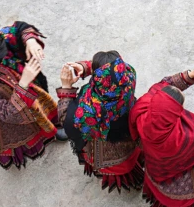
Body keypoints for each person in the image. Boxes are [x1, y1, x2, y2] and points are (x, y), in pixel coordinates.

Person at [0, 21, 67, 169]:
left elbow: (18, 29)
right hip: (9, 116)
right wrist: (23, 84)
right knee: (23, 131)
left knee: (40, 111)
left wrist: (30, 41)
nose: (4, 60)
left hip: (27, 91)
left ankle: (52, 130)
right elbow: (8, 113)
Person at [129, 57, 194, 207]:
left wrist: (192, 74)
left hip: (156, 170)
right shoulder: (191, 136)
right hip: (182, 178)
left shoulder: (142, 111)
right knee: (178, 202)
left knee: (161, 197)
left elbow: (162, 84)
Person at [58, 51, 143, 193]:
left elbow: (67, 122)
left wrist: (66, 88)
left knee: (113, 167)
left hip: (107, 147)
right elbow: (111, 70)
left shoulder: (89, 110)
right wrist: (85, 67)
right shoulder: (129, 76)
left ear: (98, 77)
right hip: (128, 135)